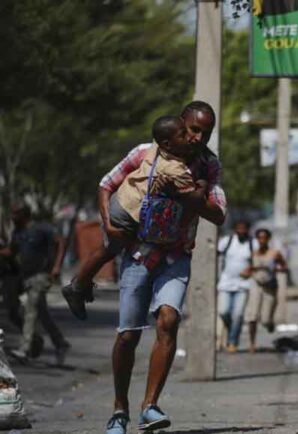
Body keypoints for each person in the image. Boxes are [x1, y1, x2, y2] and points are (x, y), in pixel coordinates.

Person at [99, 101, 226, 434]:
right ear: (180, 125)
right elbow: (107, 184)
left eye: (206, 132)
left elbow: (219, 212)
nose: (198, 137)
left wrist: (194, 197)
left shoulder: (208, 166)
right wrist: (109, 226)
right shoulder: (146, 153)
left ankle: (149, 407)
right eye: (193, 129)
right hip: (139, 253)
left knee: (168, 320)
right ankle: (119, 410)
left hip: (176, 254)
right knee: (127, 336)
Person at [62, 115, 199, 320]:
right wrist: (202, 185)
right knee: (118, 248)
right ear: (168, 143)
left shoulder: (155, 151)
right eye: (184, 134)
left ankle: (81, 284)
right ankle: (78, 286)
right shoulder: (176, 169)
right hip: (127, 215)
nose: (190, 137)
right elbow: (195, 198)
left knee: (109, 250)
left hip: (121, 202)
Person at [0, 204, 69, 366]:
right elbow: (11, 251)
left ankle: (24, 350)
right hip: (26, 278)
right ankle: (60, 343)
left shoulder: (41, 228)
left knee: (30, 309)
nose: (12, 217)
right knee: (42, 313)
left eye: (16, 214)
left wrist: (57, 266)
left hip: (42, 275)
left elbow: (61, 241)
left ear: (25, 215)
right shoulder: (18, 233)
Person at [243, 228, 286, 353]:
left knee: (266, 319)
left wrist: (278, 269)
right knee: (252, 315)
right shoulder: (253, 253)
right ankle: (252, 343)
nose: (262, 240)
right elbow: (249, 268)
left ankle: (270, 323)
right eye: (259, 238)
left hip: (270, 286)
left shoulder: (275, 253)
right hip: (256, 284)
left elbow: (283, 265)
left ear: (268, 239)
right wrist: (248, 271)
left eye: (264, 238)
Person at [216, 220, 255, 353]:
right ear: (235, 230)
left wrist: (250, 269)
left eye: (244, 229)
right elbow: (214, 253)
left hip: (243, 285)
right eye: (239, 228)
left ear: (248, 230)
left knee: (238, 314)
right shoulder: (227, 241)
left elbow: (259, 260)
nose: (241, 231)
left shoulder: (252, 244)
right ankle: (232, 328)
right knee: (223, 311)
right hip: (225, 283)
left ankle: (232, 341)